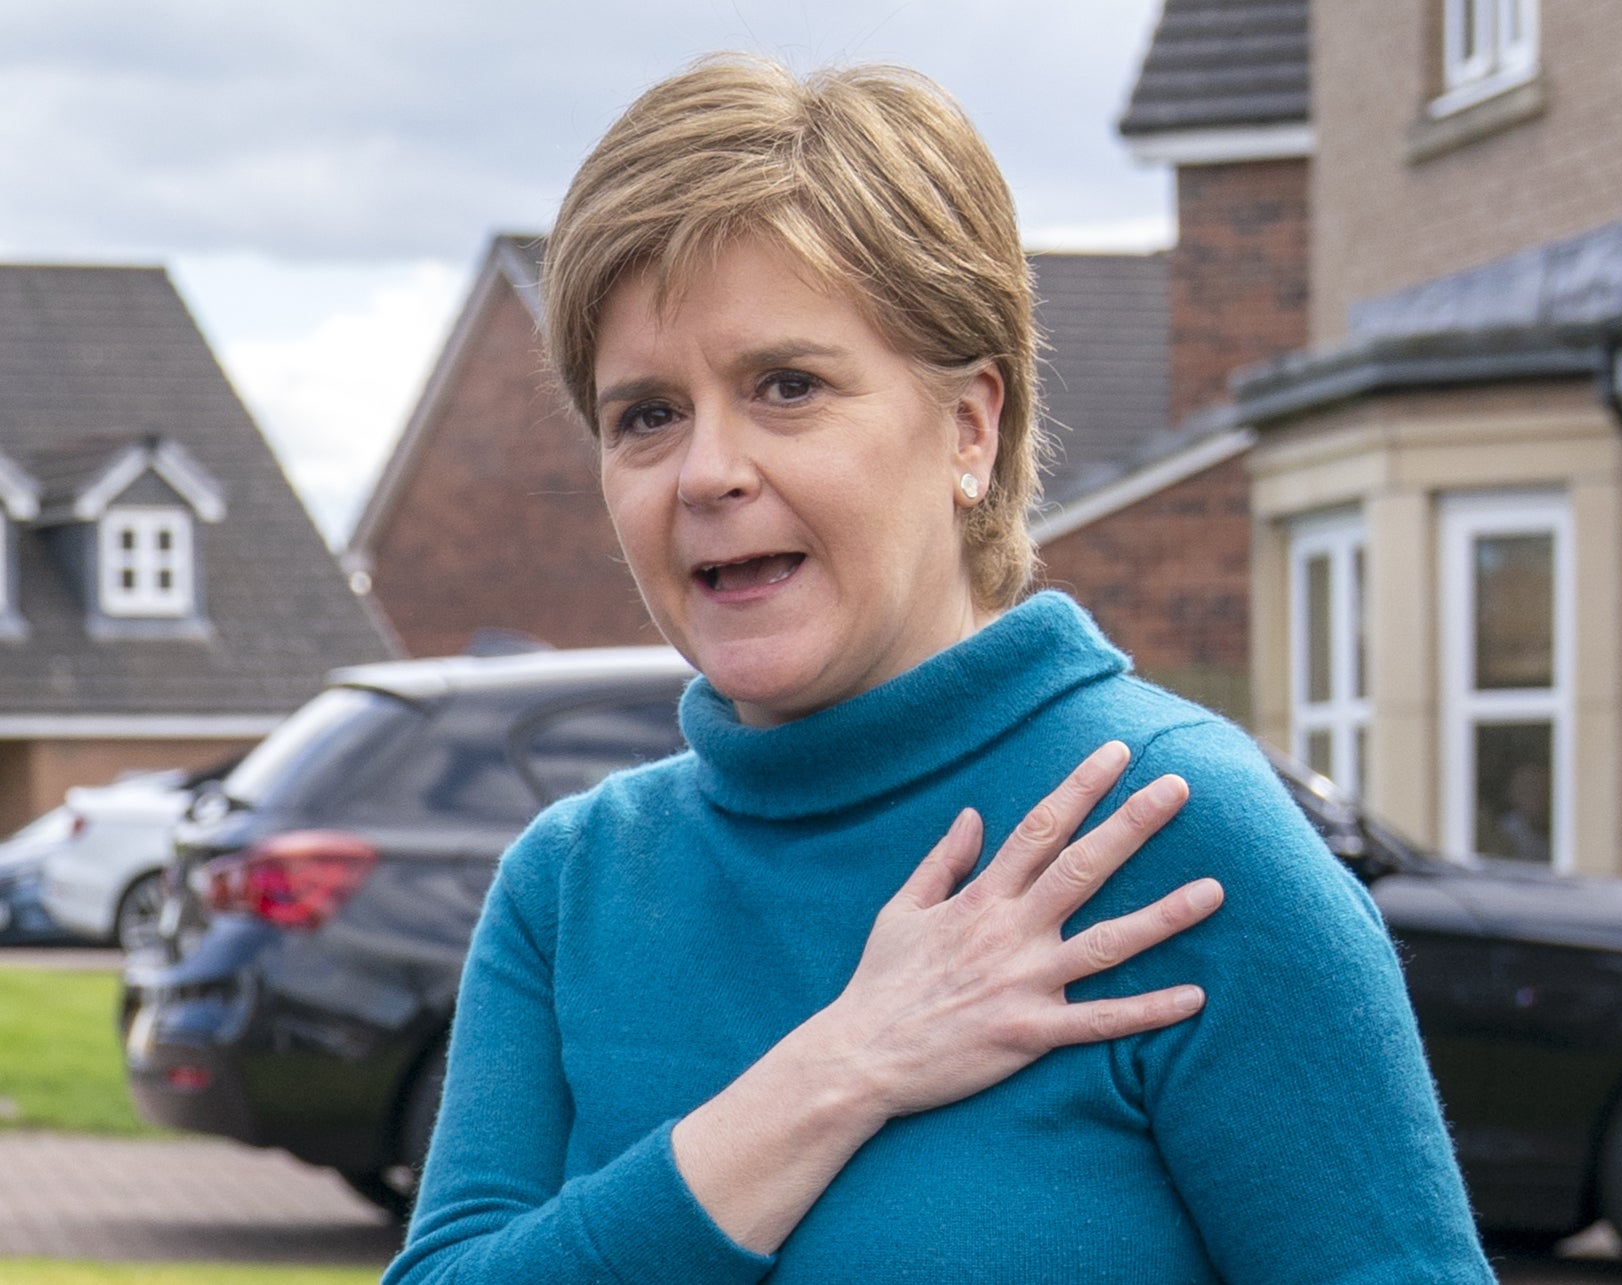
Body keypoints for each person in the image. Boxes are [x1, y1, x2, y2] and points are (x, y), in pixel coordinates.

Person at [384, 56, 1494, 1284]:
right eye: (645, 413)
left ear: (968, 427)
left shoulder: (1168, 833)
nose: (704, 472)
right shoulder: (571, 884)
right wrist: (841, 1065)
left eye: (785, 387)